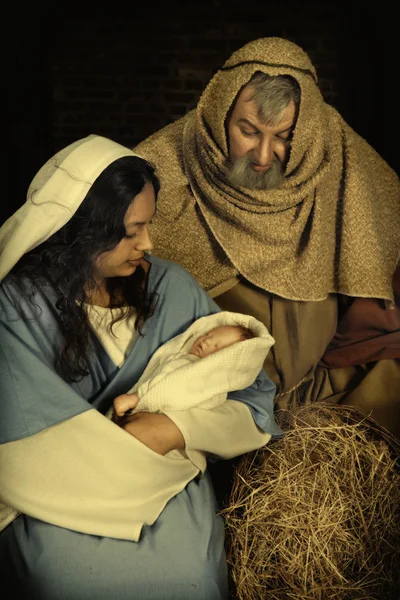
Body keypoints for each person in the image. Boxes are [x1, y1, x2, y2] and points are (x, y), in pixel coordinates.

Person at [0, 134, 281, 599]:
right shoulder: (18, 305)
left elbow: (253, 395)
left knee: (189, 577)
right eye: (131, 232)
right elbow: (21, 439)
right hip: (58, 497)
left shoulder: (171, 286)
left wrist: (174, 428)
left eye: (147, 226)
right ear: (82, 230)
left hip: (164, 483)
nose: (148, 243)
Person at [134, 37, 400, 438]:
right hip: (213, 395)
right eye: (248, 131)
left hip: (325, 394)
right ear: (221, 113)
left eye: (284, 136)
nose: (262, 155)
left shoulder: (340, 155)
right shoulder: (160, 167)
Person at [111, 312, 275, 418]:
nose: (206, 341)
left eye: (217, 346)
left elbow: (172, 387)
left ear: (225, 361)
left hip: (149, 408)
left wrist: (136, 398)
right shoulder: (186, 359)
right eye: (208, 334)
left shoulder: (195, 372)